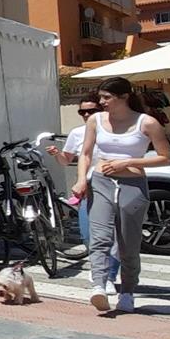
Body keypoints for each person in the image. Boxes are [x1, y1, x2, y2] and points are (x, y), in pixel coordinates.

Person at [74, 76, 170, 315]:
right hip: (101, 181)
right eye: (101, 97)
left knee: (128, 243)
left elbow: (166, 158)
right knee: (100, 238)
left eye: (107, 97)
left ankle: (127, 292)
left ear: (124, 97)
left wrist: (127, 162)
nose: (102, 102)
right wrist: (81, 180)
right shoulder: (96, 121)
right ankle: (99, 285)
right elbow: (85, 154)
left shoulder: (147, 123)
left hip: (132, 184)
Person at [48, 93, 103, 258]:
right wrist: (57, 154)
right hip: (88, 187)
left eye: (91, 111)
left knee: (114, 234)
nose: (86, 115)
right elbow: (66, 160)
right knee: (88, 234)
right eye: (82, 112)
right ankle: (99, 267)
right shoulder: (78, 133)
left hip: (111, 184)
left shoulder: (112, 130)